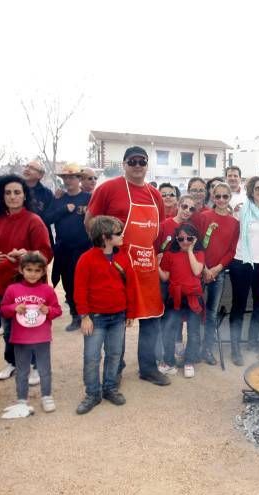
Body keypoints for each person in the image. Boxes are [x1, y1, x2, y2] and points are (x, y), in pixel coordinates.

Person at [85, 146, 168, 386]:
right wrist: (102, 254)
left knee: (151, 318)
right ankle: (115, 369)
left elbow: (160, 231)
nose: (138, 165)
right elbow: (90, 222)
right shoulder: (108, 189)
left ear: (147, 165)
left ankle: (148, 368)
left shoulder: (155, 195)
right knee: (118, 318)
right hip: (117, 265)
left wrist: (156, 254)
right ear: (124, 164)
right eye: (133, 161)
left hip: (146, 264)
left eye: (142, 161)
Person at [0, 174, 53, 381]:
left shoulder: (34, 221)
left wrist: (27, 255)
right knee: (9, 328)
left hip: (30, 285)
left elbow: (46, 254)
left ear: (24, 196)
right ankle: (12, 361)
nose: (12, 197)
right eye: (8, 193)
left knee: (31, 325)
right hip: (6, 283)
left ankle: (36, 366)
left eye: (17, 192)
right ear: (1, 196)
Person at [74, 216, 135, 415]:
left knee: (115, 354)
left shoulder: (123, 257)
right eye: (118, 233)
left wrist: (130, 312)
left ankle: (110, 388)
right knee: (91, 357)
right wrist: (84, 316)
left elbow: (130, 286)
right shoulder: (86, 259)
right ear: (105, 236)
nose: (122, 235)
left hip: (118, 316)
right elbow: (80, 289)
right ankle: (92, 393)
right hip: (96, 317)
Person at [0, 251, 62, 418]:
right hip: (20, 339)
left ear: (43, 272)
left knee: (44, 370)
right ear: (21, 270)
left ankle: (47, 396)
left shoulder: (47, 290)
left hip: (42, 338)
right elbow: (3, 310)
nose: (33, 274)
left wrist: (48, 310)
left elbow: (57, 310)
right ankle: (21, 400)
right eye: (29, 270)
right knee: (22, 371)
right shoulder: (13, 289)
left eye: (37, 270)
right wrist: (13, 308)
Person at [228, 176, 259, 365]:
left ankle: (252, 341)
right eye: (257, 188)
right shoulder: (242, 210)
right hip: (242, 262)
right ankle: (235, 348)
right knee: (239, 306)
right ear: (251, 190)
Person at [44, 164, 92, 331]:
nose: (68, 180)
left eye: (72, 177)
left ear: (79, 179)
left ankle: (88, 315)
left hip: (85, 248)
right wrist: (64, 209)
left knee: (86, 283)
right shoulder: (58, 199)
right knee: (68, 283)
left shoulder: (89, 198)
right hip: (64, 248)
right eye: (65, 177)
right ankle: (75, 316)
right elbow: (46, 219)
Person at [197, 182, 239, 365]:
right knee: (193, 310)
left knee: (212, 312)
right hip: (199, 270)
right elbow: (196, 243)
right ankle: (192, 346)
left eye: (225, 196)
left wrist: (217, 268)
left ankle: (207, 348)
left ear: (230, 198)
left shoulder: (234, 222)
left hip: (218, 272)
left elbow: (231, 250)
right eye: (218, 196)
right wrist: (204, 267)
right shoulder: (204, 217)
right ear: (213, 197)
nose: (221, 200)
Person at [159, 223, 205, 378]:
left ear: (195, 239)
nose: (185, 242)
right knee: (169, 330)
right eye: (181, 239)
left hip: (193, 297)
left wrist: (190, 251)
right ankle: (169, 362)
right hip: (175, 297)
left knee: (193, 332)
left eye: (189, 238)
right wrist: (155, 263)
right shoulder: (169, 254)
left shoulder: (198, 253)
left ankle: (189, 362)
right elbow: (165, 277)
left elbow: (197, 271)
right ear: (176, 239)